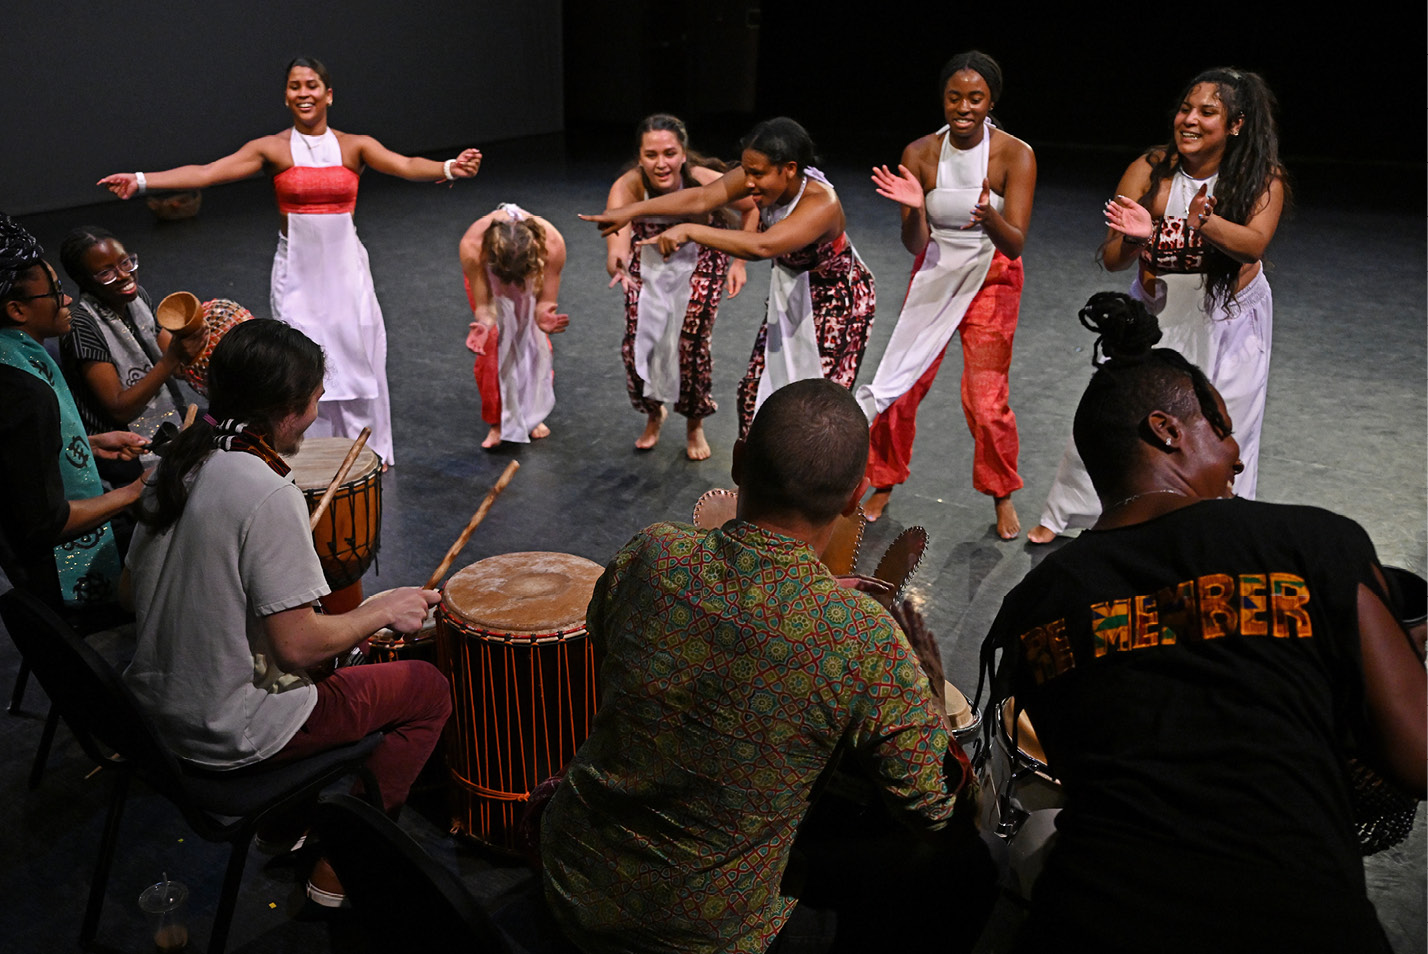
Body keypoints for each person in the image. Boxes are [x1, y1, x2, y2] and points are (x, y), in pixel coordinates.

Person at [983, 293, 1424, 953]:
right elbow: (1418, 758)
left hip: (1089, 925)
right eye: (1222, 431)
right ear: (1167, 430)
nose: (1238, 457)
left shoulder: (1039, 601)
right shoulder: (1311, 545)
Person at [541, 379, 991, 954]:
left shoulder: (652, 554)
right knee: (969, 872)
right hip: (701, 932)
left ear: (737, 461)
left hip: (574, 876)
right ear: (856, 498)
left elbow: (606, 646)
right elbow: (937, 810)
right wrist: (925, 698)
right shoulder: (860, 637)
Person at [123, 318, 451, 906]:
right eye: (316, 396)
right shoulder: (267, 490)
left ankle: (282, 825)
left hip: (152, 720)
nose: (320, 406)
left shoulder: (176, 461)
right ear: (286, 407)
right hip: (225, 731)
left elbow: (131, 593)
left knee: (334, 659)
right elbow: (297, 646)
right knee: (424, 689)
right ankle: (339, 869)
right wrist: (380, 609)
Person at [97, 55, 482, 467]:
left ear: (328, 94)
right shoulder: (272, 148)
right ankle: (310, 452)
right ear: (286, 96)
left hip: (347, 272)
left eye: (312, 85)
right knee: (300, 357)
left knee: (357, 351)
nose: (304, 93)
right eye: (295, 86)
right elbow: (208, 172)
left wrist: (449, 168)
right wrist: (140, 181)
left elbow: (405, 164)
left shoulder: (355, 145)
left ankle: (368, 449)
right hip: (297, 274)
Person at [1028, 67, 1286, 543]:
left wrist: (1201, 223)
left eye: (1207, 112)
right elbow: (1110, 259)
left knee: (1226, 423)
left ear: (1235, 124)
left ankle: (1216, 531)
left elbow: (1252, 245)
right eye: (1186, 109)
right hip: (1157, 312)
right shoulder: (1149, 169)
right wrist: (1131, 240)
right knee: (1121, 411)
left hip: (1229, 318)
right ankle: (1070, 512)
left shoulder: (1259, 179)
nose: (1189, 119)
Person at [584, 117, 876, 438]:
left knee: (817, 410)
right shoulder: (759, 174)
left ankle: (815, 483)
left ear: (789, 169)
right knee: (754, 393)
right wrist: (631, 211)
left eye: (757, 174)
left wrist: (690, 230)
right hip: (791, 292)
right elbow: (701, 198)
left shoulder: (822, 203)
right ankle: (755, 480)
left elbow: (763, 246)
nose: (748, 182)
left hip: (836, 306)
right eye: (746, 171)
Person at [860, 51, 1035, 538]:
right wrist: (916, 210)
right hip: (935, 266)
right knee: (901, 380)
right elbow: (914, 242)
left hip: (994, 271)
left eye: (975, 98)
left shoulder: (1014, 154)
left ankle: (1002, 493)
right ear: (943, 99)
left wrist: (990, 218)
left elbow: (1015, 241)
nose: (964, 107)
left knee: (985, 400)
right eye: (954, 97)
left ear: (991, 101)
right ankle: (883, 480)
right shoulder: (918, 153)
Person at [0, 213, 148, 610]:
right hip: (55, 572)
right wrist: (135, 491)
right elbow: (45, 523)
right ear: (17, 311)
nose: (66, 300)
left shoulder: (14, 359)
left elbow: (18, 459)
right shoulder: (22, 391)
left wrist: (88, 443)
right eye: (55, 292)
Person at [603, 114, 755, 459]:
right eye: (651, 155)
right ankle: (654, 414)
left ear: (683, 153)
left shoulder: (704, 180)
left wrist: (740, 262)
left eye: (669, 153)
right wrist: (618, 261)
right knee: (638, 345)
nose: (661, 164)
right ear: (639, 157)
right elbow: (617, 240)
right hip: (648, 261)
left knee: (691, 343)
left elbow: (753, 206)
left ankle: (694, 423)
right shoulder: (628, 187)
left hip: (701, 259)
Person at [58, 226, 203, 484]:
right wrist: (172, 358)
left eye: (126, 262)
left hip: (170, 418)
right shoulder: (81, 325)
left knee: (220, 422)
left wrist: (195, 341)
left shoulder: (136, 298)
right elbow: (119, 409)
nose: (125, 275)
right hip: (121, 448)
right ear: (84, 281)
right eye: (106, 273)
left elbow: (176, 366)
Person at [458, 204, 568, 448]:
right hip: (489, 277)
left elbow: (546, 302)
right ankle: (498, 421)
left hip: (531, 271)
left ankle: (531, 414)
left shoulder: (552, 245)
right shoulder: (473, 249)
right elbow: (485, 308)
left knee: (533, 340)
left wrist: (544, 317)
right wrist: (483, 325)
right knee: (494, 343)